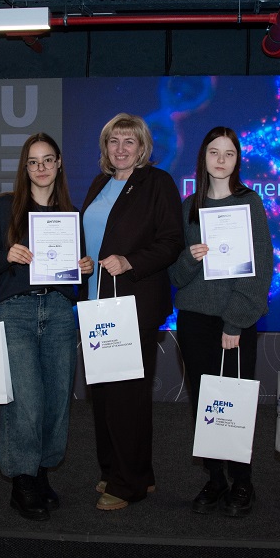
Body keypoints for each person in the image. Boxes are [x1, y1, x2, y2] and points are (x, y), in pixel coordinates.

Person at [0, 133, 93, 521]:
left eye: (48, 160)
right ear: (25, 167)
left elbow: (76, 272)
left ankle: (42, 471)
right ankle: (22, 481)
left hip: (60, 311)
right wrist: (6, 254)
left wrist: (84, 268)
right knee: (25, 400)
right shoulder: (5, 207)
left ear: (59, 163)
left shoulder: (70, 214)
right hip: (16, 311)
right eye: (33, 161)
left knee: (57, 399)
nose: (41, 168)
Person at [168, 126, 273, 517]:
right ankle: (215, 478)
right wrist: (190, 258)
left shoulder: (250, 202)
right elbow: (176, 276)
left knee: (235, 403)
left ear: (237, 159)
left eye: (229, 153)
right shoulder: (188, 206)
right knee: (205, 403)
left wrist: (235, 322)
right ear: (204, 157)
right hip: (194, 321)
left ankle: (243, 482)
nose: (221, 159)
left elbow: (261, 268)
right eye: (214, 152)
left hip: (234, 324)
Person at [80, 113, 183, 511]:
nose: (120, 148)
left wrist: (130, 262)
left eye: (129, 141)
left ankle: (128, 485)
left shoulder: (158, 183)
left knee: (127, 395)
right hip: (97, 304)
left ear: (142, 148)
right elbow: (92, 239)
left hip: (133, 305)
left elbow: (171, 241)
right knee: (104, 394)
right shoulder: (99, 184)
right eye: (113, 141)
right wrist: (83, 262)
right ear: (105, 147)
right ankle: (122, 471)